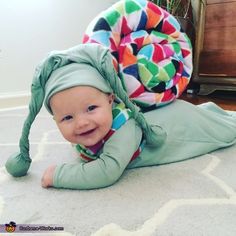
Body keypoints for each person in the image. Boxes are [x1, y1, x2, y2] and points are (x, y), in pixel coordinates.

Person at [5, 44, 236, 190]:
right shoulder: (94, 126)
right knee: (213, 113)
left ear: (110, 100)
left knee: (225, 127)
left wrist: (60, 175)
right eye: (67, 118)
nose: (82, 122)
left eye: (91, 109)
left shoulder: (123, 129)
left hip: (185, 128)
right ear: (54, 120)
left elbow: (107, 171)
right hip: (176, 115)